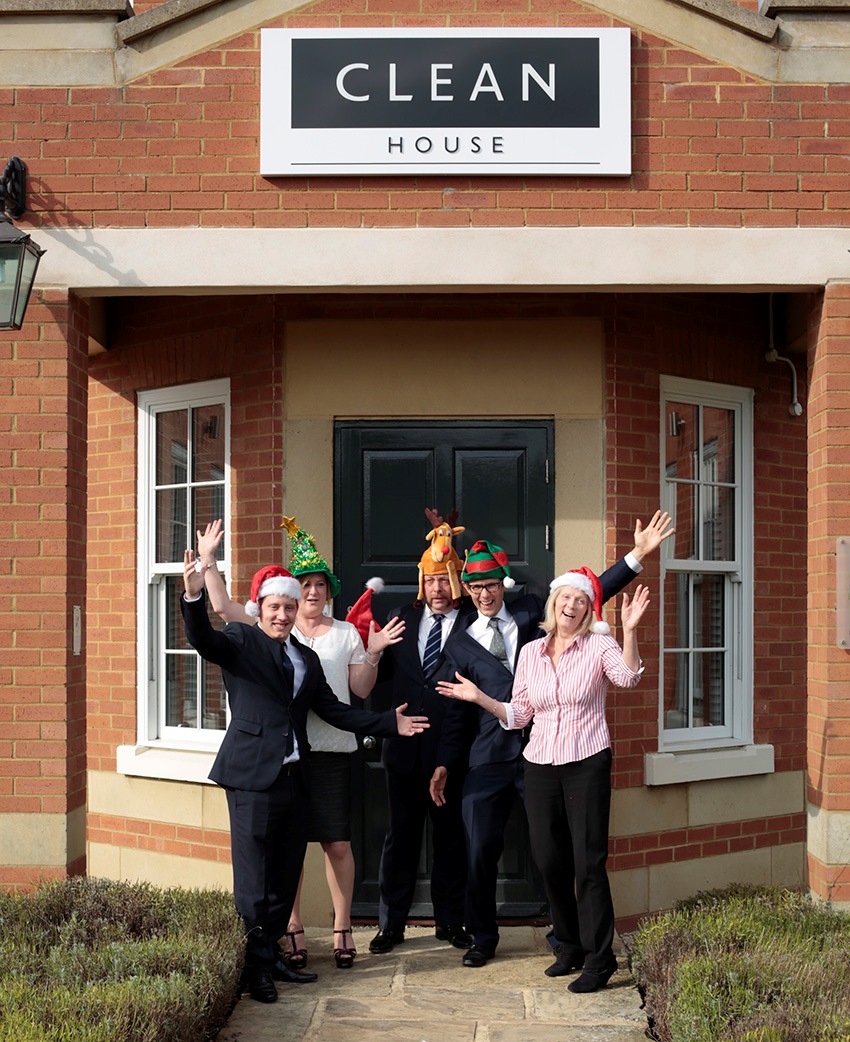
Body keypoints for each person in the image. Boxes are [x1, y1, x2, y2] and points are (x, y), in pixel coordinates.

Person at [181, 554, 427, 1004]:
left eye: (289, 608)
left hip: (296, 777)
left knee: (284, 874)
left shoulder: (306, 659)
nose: (282, 615)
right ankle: (255, 968)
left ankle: (272, 956)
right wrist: (194, 595)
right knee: (254, 881)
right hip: (252, 777)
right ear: (261, 609)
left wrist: (387, 723)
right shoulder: (242, 640)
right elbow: (203, 640)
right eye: (275, 607)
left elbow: (336, 710)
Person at [430, 512, 673, 969]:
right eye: (476, 587)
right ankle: (482, 935)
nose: (485, 594)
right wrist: (445, 762)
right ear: (467, 590)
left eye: (491, 585)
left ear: (504, 585)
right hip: (491, 755)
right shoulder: (459, 642)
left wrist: (637, 555)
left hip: (549, 754)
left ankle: (569, 940)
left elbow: (588, 591)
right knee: (483, 849)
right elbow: (458, 713)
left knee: (564, 854)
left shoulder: (532, 614)